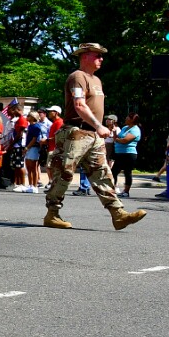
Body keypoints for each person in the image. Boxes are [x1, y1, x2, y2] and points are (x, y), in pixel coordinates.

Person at [43, 43, 145, 230]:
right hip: (76, 132)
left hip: (93, 135)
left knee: (102, 173)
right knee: (64, 172)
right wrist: (99, 125)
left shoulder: (96, 80)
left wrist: (97, 128)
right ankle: (52, 214)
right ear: (84, 57)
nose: (101, 58)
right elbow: (79, 105)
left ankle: (118, 214)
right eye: (96, 55)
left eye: (101, 55)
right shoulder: (77, 77)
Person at [112, 113, 141, 198]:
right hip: (119, 153)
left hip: (129, 154)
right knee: (114, 171)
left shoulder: (135, 129)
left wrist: (116, 139)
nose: (125, 118)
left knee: (127, 172)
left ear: (132, 120)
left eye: (127, 117)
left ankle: (126, 191)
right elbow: (118, 137)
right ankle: (112, 189)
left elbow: (125, 140)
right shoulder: (124, 128)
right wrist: (114, 133)